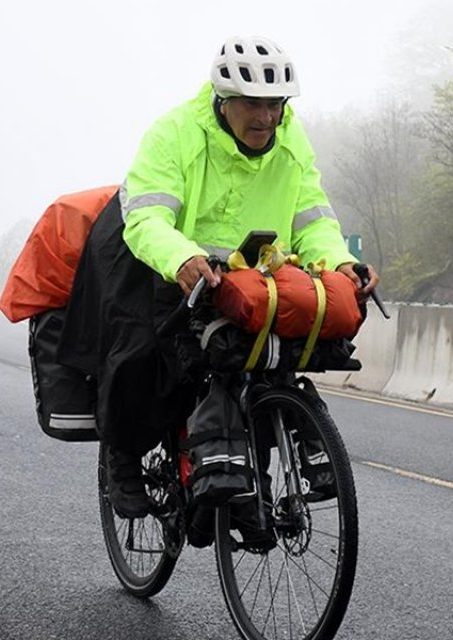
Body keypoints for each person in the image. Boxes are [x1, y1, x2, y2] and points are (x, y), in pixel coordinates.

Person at [61, 35, 380, 518]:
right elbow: (146, 219)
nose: (266, 117)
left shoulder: (291, 140)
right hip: (158, 255)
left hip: (244, 271)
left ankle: (248, 478)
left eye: (275, 104)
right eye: (253, 104)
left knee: (265, 359)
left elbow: (312, 219)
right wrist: (181, 259)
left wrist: (339, 263)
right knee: (140, 348)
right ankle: (121, 457)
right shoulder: (175, 133)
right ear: (224, 100)